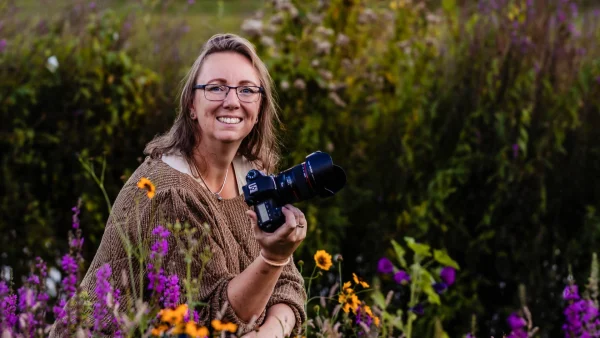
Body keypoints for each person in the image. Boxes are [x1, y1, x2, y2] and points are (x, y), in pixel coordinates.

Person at [49, 33, 307, 337]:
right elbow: (211, 322)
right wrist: (273, 257)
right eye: (216, 88)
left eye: (247, 90)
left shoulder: (253, 175)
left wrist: (269, 333)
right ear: (191, 107)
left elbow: (288, 286)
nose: (232, 101)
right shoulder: (169, 192)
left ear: (259, 108)